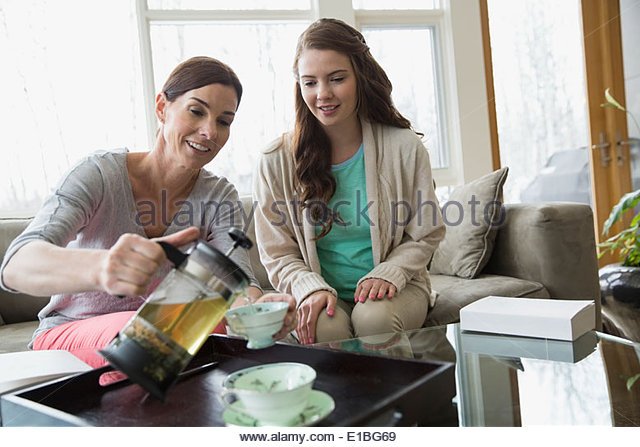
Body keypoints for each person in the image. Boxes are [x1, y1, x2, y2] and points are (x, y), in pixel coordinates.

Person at [0, 56, 296, 367]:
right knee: (149, 336)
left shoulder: (219, 196)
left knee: (212, 330)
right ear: (162, 108)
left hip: (165, 337)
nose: (210, 131)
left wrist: (261, 310)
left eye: (224, 121)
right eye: (196, 111)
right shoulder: (99, 174)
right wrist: (102, 267)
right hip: (72, 333)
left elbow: (236, 283)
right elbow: (15, 266)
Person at [253, 18, 446, 345]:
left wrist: (391, 272)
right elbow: (277, 252)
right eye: (310, 82)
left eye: (337, 79)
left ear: (360, 77)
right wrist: (308, 287)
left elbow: (426, 232)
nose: (323, 94)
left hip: (397, 287)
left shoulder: (403, 147)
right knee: (324, 326)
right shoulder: (276, 159)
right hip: (323, 293)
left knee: (375, 318)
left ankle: (400, 397)